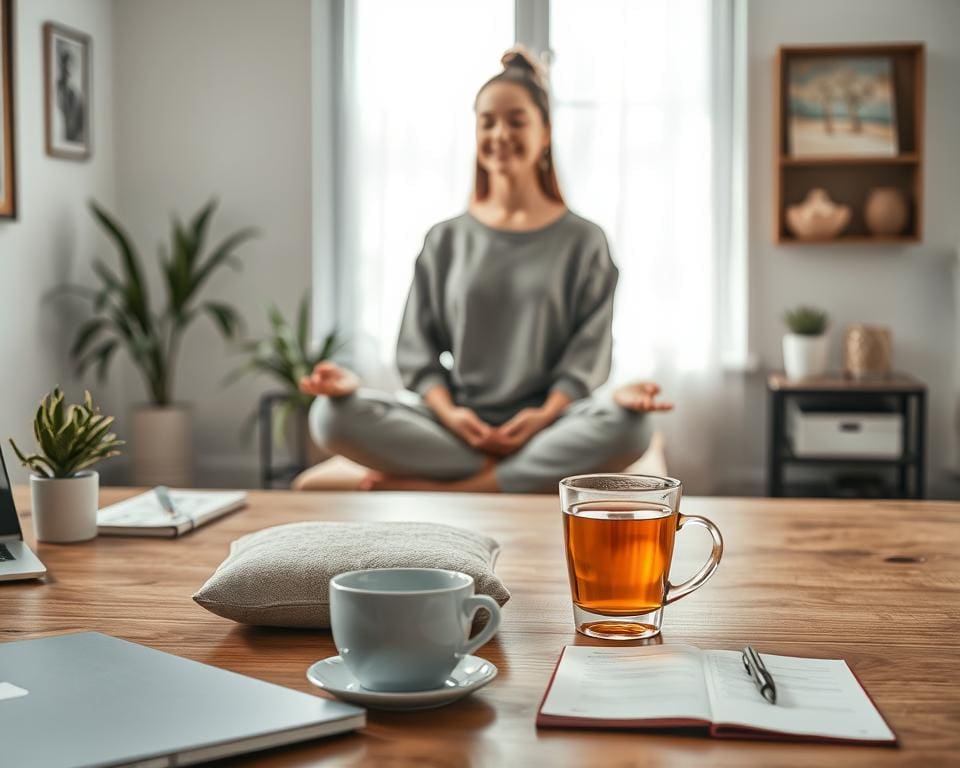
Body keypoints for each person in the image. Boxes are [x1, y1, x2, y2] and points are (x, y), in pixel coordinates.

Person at [300, 47, 672, 493]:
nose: (500, 134)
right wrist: (453, 416)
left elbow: (586, 357)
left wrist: (542, 416)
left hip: (550, 424)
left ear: (546, 132)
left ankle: (463, 486)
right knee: (329, 416)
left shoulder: (584, 241)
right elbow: (417, 354)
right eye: (487, 122)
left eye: (516, 121)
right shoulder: (445, 238)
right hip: (456, 425)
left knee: (631, 427)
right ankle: (510, 475)